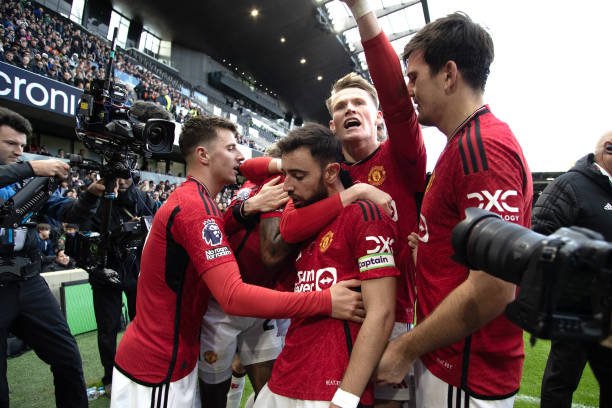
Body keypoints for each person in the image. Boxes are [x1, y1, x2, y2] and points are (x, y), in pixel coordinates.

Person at [240, 2, 425, 403]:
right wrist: (352, 192)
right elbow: (288, 222)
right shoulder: (325, 174)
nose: (349, 109)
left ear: (379, 118)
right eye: (341, 106)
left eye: (359, 103)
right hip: (332, 317)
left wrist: (361, 11)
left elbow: (397, 100)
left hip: (392, 316)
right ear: (332, 125)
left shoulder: (401, 158)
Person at [112, 115, 365, 407]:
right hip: (158, 365)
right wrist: (324, 301)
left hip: (169, 357)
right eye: (231, 148)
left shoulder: (198, 200)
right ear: (203, 155)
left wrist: (245, 209)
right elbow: (233, 295)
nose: (240, 156)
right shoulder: (195, 208)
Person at [375, 13, 533, 407]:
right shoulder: (463, 144)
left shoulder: (482, 150)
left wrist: (404, 348)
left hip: (464, 370)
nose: (409, 90)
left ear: (448, 74)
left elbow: (494, 287)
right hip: (449, 362)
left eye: (414, 77)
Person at [254, 123, 398, 408]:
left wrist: (346, 398)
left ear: (331, 172)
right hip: (283, 378)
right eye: (286, 174)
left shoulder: (365, 215)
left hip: (330, 389)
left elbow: (381, 313)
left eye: (298, 176)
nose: (287, 186)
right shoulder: (304, 220)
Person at [0, 106, 104, 408]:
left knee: (67, 356)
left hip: (28, 282)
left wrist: (92, 194)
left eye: (22, 145)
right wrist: (33, 167)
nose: (19, 151)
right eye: (10, 143)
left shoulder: (24, 181)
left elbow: (68, 212)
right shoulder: (26, 172)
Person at [199, 149, 293, 407]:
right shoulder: (250, 185)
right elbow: (225, 225)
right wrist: (249, 207)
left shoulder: (290, 188)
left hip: (261, 303)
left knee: (269, 389)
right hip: (222, 301)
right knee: (213, 390)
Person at [533, 132, 612, 408]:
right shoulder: (570, 185)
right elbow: (540, 236)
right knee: (562, 379)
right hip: (576, 306)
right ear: (608, 149)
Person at [81, 175, 157, 396]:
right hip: (105, 271)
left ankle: (140, 370)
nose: (121, 182)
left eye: (126, 177)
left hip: (136, 268)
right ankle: (110, 377)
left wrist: (140, 225)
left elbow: (157, 224)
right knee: (108, 328)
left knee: (142, 324)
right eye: (116, 178)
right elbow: (84, 231)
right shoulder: (97, 198)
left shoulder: (142, 198)